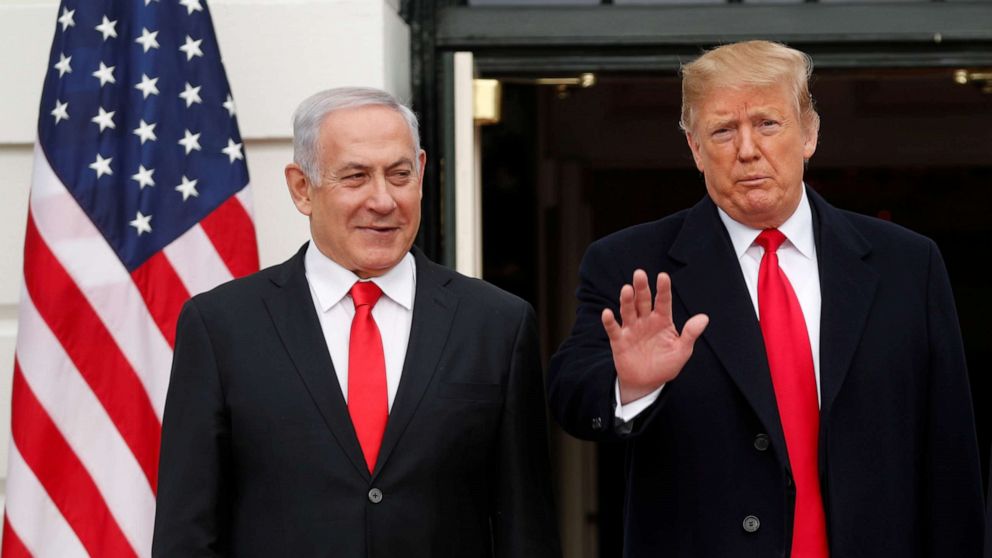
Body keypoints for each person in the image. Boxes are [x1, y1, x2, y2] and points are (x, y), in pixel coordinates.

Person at [548, 40, 984, 557]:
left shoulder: (908, 266)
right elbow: (572, 398)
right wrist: (630, 386)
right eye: (723, 130)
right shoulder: (632, 263)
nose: (747, 150)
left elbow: (951, 457)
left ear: (810, 133)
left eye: (768, 124)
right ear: (694, 148)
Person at [153, 87, 560, 558]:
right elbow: (187, 533)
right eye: (355, 177)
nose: (383, 200)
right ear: (302, 188)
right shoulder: (221, 326)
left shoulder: (497, 325)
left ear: (423, 173)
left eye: (399, 175)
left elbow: (526, 532)